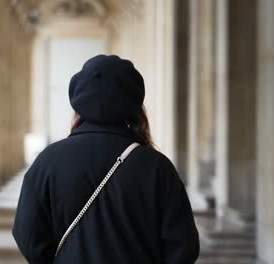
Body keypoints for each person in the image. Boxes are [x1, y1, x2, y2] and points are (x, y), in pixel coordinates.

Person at [12, 55, 200, 263]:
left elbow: (28, 237)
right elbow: (183, 246)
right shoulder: (158, 168)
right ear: (135, 106)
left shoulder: (47, 162)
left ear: (78, 104)